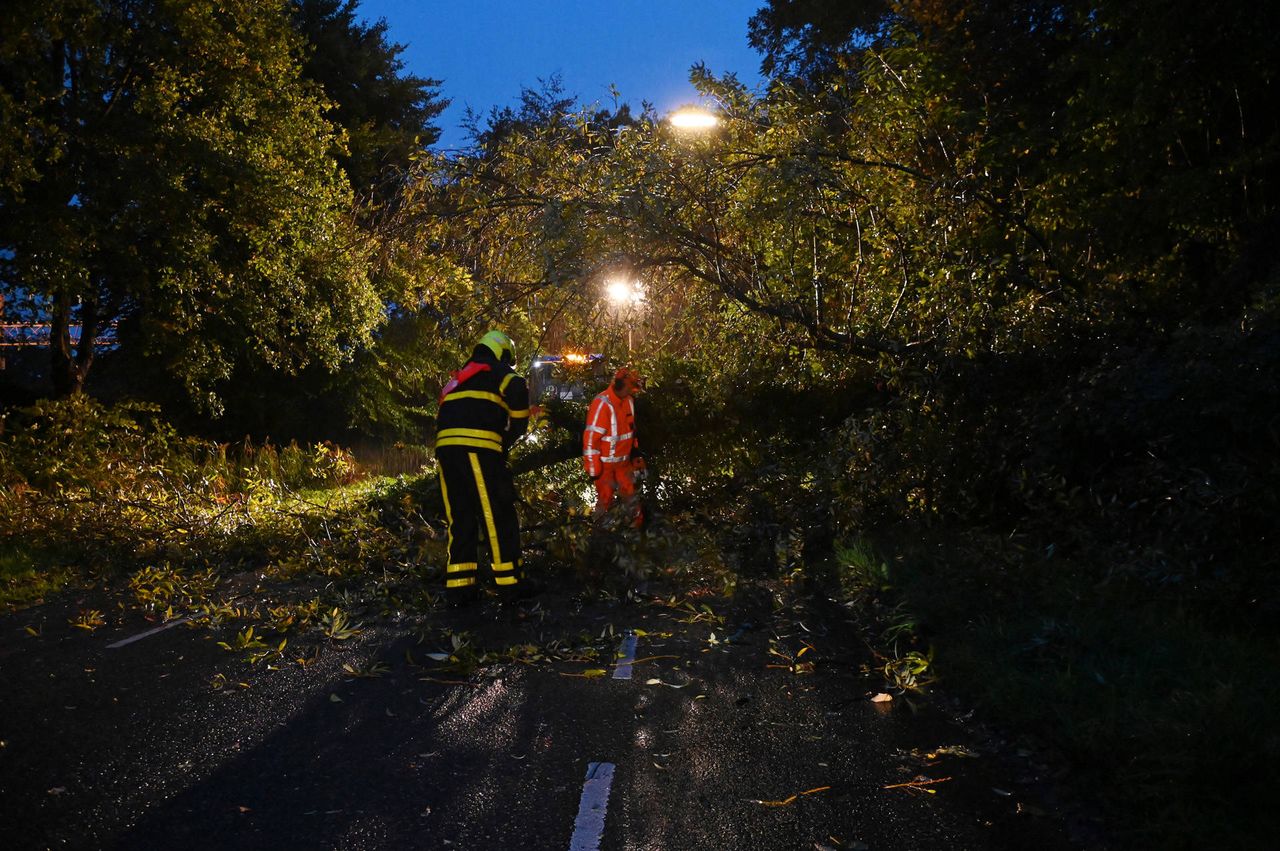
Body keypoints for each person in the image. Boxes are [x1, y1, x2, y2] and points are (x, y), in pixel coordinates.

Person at [435, 330, 531, 600]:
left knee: (460, 518)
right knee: (495, 515)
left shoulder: (458, 379)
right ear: (502, 352)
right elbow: (518, 400)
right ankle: (511, 584)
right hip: (478, 450)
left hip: (445, 451)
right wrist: (508, 439)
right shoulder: (501, 373)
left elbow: (443, 409)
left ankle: (460, 589)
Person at [583, 367, 645, 526]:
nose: (633, 391)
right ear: (624, 386)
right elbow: (591, 440)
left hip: (624, 464)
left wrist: (636, 454)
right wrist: (594, 470)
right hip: (605, 467)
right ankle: (600, 540)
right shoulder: (602, 403)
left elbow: (631, 432)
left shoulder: (629, 402)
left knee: (633, 503)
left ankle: (635, 539)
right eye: (632, 388)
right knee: (604, 506)